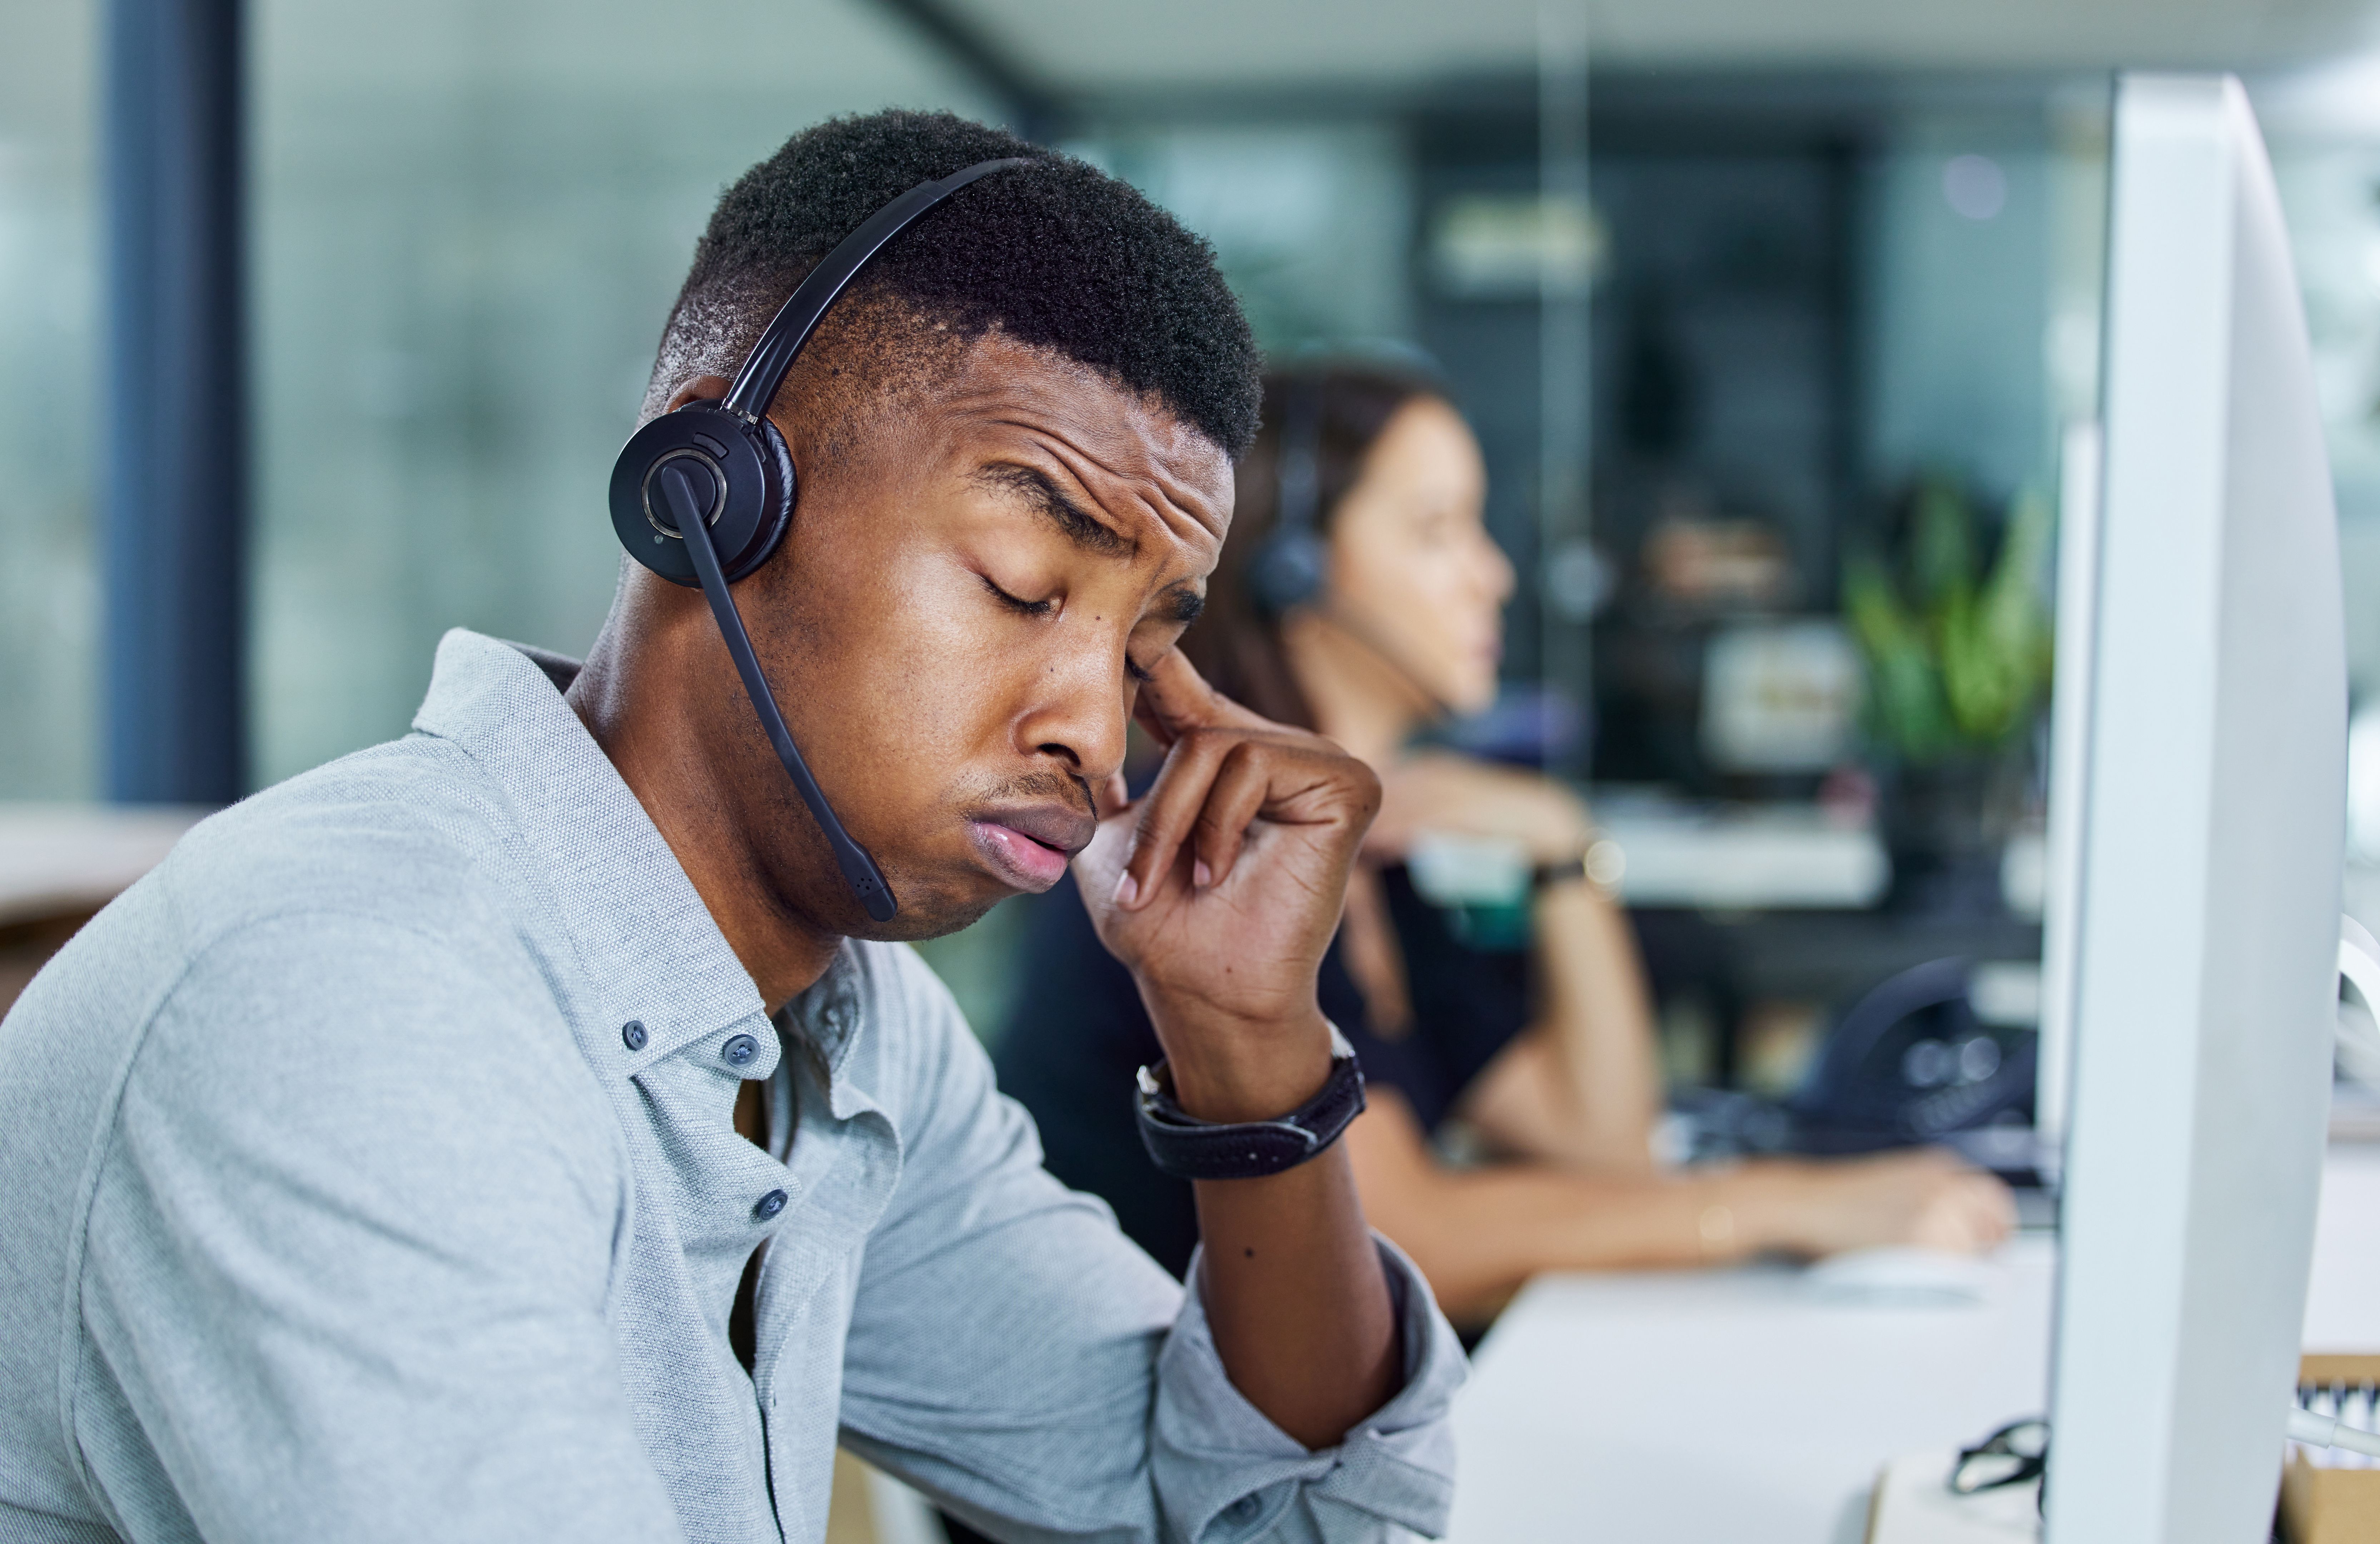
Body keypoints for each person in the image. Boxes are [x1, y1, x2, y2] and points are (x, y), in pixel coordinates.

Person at [0, 116, 1466, 1544]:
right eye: (1025, 585)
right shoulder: (351, 1001)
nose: (1097, 729)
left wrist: (1247, 1051)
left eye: (1144, 640)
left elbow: (1281, 1522)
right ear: (708, 488)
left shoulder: (845, 1031)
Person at [996, 362, 2016, 1325]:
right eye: (1438, 531)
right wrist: (1788, 1206)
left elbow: (1604, 1143)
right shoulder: (1199, 843)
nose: (1493, 576)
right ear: (1291, 573)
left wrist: (1561, 845)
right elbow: (1397, 1239)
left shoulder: (1383, 861)